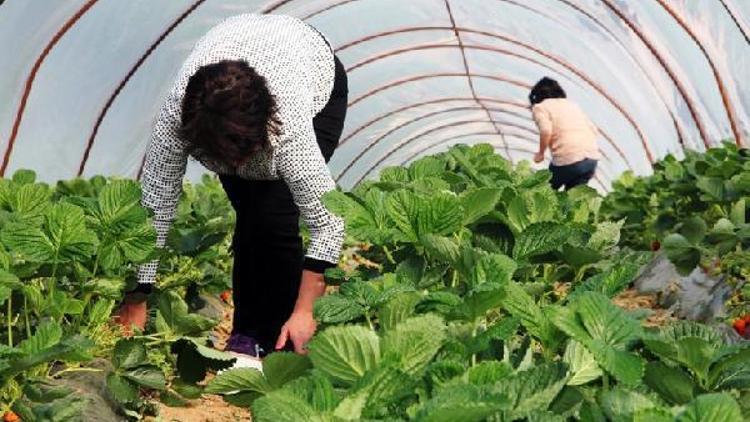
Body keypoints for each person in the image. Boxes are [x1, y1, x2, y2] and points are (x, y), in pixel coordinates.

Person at [115, 14, 348, 368]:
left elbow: (328, 221)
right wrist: (136, 299)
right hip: (234, 78)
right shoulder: (178, 117)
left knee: (274, 215)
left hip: (316, 79)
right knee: (253, 214)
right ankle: (248, 334)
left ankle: (277, 342)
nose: (238, 167)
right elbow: (155, 207)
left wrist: (306, 311)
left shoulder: (289, 123)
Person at [530, 77, 600, 190]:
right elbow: (594, 130)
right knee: (572, 201)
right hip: (591, 160)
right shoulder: (572, 105)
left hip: (568, 160)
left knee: (544, 192)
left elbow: (546, 130)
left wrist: (541, 153)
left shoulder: (540, 107)